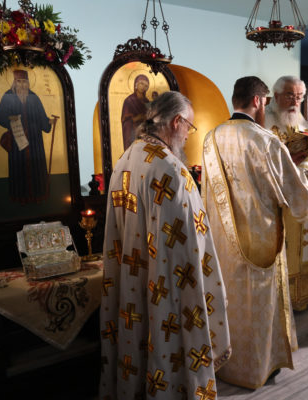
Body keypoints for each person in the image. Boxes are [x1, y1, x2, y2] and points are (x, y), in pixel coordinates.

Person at [100, 91, 231, 399]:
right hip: (164, 289)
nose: (187, 135)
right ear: (176, 122)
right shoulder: (170, 168)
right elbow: (188, 246)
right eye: (189, 127)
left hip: (132, 278)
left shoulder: (126, 158)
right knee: (166, 344)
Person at [203, 76, 308, 388]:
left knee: (231, 302)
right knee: (258, 306)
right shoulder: (265, 140)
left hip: (223, 242)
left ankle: (226, 363)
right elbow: (298, 194)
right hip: (261, 239)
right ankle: (259, 368)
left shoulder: (211, 137)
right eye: (266, 101)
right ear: (257, 100)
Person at [264, 75, 308, 311]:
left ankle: (298, 298)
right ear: (277, 95)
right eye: (290, 95)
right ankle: (279, 302)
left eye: (299, 97)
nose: (295, 101)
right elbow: (263, 161)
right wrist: (292, 159)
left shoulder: (302, 122)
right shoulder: (264, 122)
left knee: (299, 246)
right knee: (283, 248)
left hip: (301, 193)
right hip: (279, 199)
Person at [0, 69, 56, 204]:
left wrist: (48, 122)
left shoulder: (34, 97)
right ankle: (20, 197)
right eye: (19, 81)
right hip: (17, 140)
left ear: (28, 83)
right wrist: (11, 119)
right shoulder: (8, 96)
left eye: (24, 82)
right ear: (14, 82)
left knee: (36, 167)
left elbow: (41, 116)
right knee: (19, 168)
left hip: (35, 141)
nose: (22, 85)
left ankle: (38, 196)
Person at [121, 74, 151, 150]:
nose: (143, 87)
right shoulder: (129, 100)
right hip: (132, 133)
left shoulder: (147, 101)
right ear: (136, 84)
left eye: (146, 86)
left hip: (144, 133)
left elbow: (150, 118)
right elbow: (125, 121)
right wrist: (137, 118)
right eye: (141, 84)